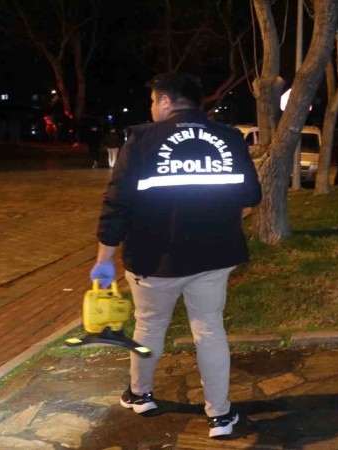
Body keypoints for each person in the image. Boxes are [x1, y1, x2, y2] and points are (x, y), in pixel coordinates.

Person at [90, 73, 262, 438]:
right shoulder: (230, 138)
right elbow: (251, 195)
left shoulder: (141, 140)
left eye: (154, 101)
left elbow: (117, 205)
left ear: (166, 101)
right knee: (210, 329)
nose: (152, 108)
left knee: (149, 327)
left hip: (153, 259)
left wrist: (104, 259)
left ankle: (141, 395)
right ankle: (219, 416)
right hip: (214, 255)